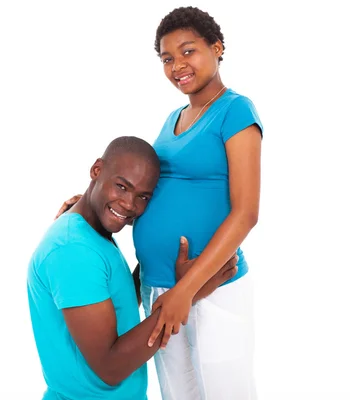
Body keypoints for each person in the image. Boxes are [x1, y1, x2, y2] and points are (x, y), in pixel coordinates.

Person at [55, 7, 263, 400]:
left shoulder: (236, 111)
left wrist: (187, 288)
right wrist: (91, 204)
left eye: (188, 52)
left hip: (211, 287)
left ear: (217, 48)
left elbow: (246, 212)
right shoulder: (173, 119)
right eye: (167, 58)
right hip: (158, 287)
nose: (177, 66)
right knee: (178, 395)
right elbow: (156, 195)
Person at [28, 136, 238, 400]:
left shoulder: (93, 234)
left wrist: (171, 273)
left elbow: (117, 304)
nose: (129, 204)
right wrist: (189, 292)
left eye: (143, 196)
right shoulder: (73, 250)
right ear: (96, 170)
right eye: (121, 186)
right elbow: (110, 367)